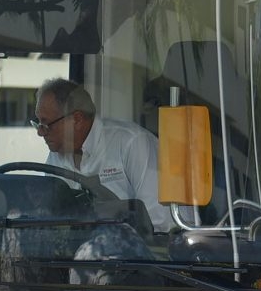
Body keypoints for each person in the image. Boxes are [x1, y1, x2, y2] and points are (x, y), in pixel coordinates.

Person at [32, 77, 163, 223]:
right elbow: (52, 215)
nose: (40, 132)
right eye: (38, 124)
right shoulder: (56, 154)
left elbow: (158, 219)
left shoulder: (132, 143)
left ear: (77, 119)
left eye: (47, 124)